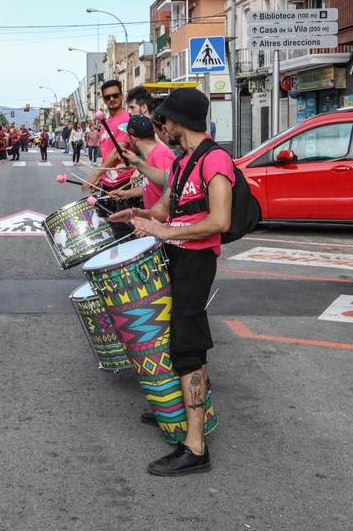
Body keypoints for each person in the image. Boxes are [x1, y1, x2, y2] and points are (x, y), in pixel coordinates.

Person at [109, 88, 233, 477]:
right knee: (172, 337)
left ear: (180, 121)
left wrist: (162, 233)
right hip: (177, 256)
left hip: (197, 261)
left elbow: (219, 221)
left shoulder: (215, 160)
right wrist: (138, 212)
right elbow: (165, 209)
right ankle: (179, 410)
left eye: (165, 121)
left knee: (187, 345)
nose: (162, 127)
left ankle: (195, 447)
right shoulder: (182, 164)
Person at [82, 80, 135, 238]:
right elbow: (106, 154)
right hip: (109, 184)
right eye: (107, 97)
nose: (111, 99)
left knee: (124, 232)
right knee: (113, 230)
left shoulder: (125, 120)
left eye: (115, 95)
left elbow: (118, 151)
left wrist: (95, 175)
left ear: (122, 95)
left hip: (124, 184)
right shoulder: (106, 122)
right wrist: (102, 178)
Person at [108, 115, 176, 210]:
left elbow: (168, 184)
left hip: (162, 221)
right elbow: (150, 188)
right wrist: (127, 193)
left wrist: (138, 163)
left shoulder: (161, 155)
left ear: (133, 139)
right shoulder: (150, 155)